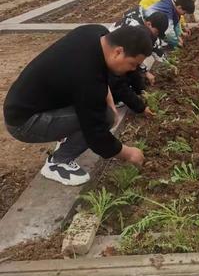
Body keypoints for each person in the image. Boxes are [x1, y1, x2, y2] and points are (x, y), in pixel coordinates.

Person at [3, 25, 153, 186]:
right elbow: (95, 133)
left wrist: (109, 102)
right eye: (132, 64)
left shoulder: (96, 33)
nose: (133, 69)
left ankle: (65, 136)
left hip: (31, 103)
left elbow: (100, 78)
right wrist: (128, 153)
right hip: (24, 122)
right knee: (104, 117)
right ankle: (58, 162)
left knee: (105, 110)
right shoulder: (87, 76)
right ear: (118, 51)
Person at [109, 11, 169, 115]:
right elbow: (119, 84)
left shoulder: (140, 34)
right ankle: (114, 99)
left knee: (131, 73)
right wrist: (141, 108)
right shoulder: (134, 38)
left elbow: (134, 69)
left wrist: (141, 90)